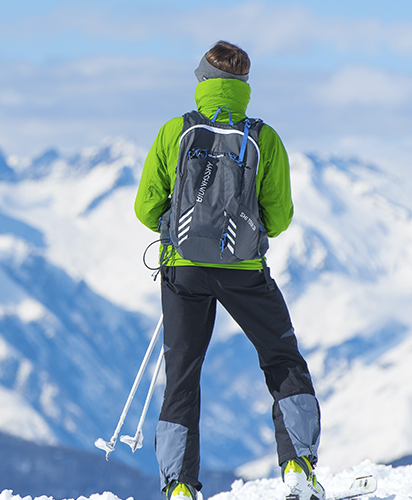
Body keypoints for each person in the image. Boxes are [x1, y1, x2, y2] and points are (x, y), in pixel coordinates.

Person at [133, 41, 324, 500]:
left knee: (182, 373)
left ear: (201, 81)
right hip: (244, 268)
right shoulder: (264, 137)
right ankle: (297, 464)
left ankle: (179, 485)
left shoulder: (173, 132)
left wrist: (177, 223)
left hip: (183, 269)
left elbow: (145, 208)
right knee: (282, 359)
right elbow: (279, 219)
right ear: (244, 86)